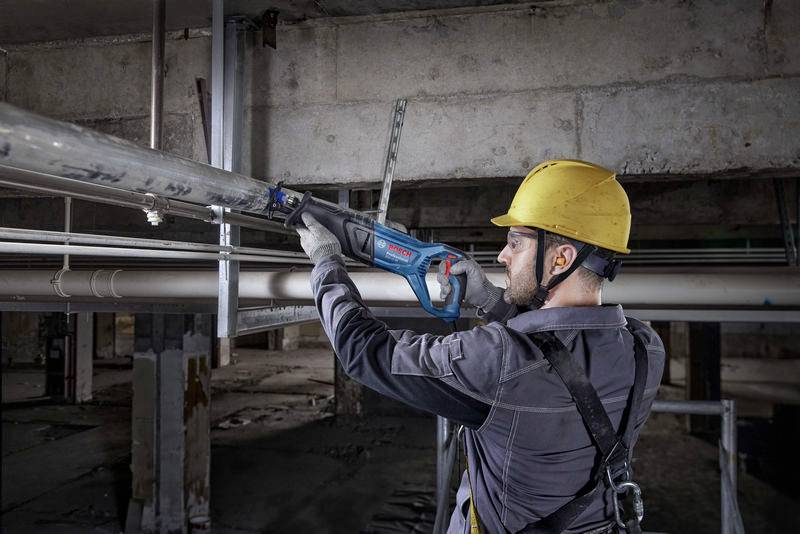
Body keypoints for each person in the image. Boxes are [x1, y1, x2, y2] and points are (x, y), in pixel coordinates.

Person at [295, 159, 665, 534]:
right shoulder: (645, 350)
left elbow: (364, 351)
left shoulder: (497, 360)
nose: (503, 256)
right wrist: (489, 298)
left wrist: (326, 262)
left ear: (561, 258)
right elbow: (549, 357)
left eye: (516, 243)